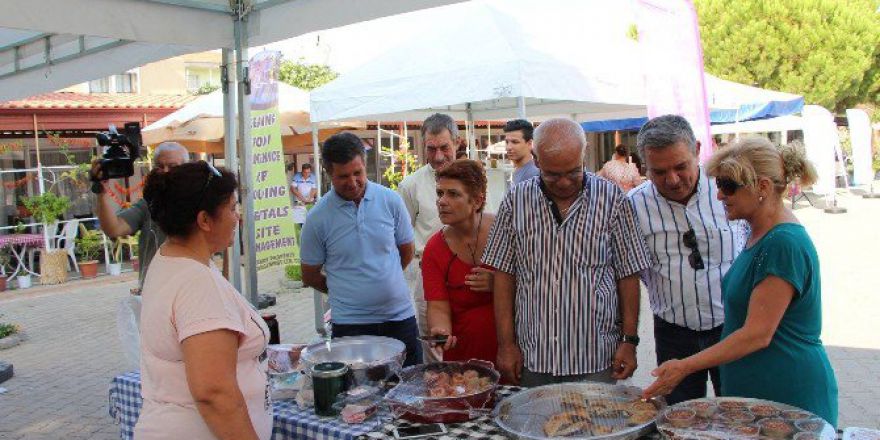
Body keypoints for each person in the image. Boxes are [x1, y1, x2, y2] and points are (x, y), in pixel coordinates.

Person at [644, 137, 838, 426]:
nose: (720, 195)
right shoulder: (759, 233)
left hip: (786, 394)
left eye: (728, 186)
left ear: (762, 187)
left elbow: (757, 334)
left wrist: (684, 366)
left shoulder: (782, 243)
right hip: (758, 393)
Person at [482, 118, 653, 386]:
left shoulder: (612, 200)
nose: (563, 183)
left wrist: (629, 341)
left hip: (597, 357)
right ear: (536, 160)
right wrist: (506, 345)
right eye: (552, 175)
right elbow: (504, 276)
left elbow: (627, 275)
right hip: (535, 356)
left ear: (583, 155)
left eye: (573, 172)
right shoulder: (515, 202)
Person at [135, 162, 271, 440]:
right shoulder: (198, 284)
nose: (238, 217)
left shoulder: (169, 257)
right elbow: (214, 394)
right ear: (204, 220)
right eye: (232, 208)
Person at [628, 115, 747, 405]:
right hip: (673, 334)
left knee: (736, 413)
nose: (672, 180)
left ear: (696, 150)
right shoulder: (633, 206)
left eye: (681, 167)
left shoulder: (731, 191)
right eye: (659, 172)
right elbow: (629, 274)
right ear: (644, 166)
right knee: (679, 417)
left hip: (731, 329)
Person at [300, 132, 422, 366]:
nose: (353, 182)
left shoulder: (390, 201)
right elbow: (309, 275)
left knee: (409, 390)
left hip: (399, 317)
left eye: (358, 173)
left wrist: (383, 277)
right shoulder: (318, 218)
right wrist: (344, 289)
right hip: (350, 325)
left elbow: (406, 251)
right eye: (343, 176)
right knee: (356, 398)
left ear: (365, 165)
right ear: (329, 174)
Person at [397, 113, 461, 362]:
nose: (438, 156)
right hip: (428, 276)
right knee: (435, 349)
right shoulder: (410, 186)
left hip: (468, 274)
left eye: (444, 147)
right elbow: (401, 236)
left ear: (457, 142)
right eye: (431, 149)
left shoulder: (475, 178)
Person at [421, 159, 496, 363]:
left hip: (511, 350)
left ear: (477, 201)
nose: (442, 201)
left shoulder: (504, 232)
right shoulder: (434, 249)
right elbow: (437, 306)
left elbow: (535, 285)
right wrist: (441, 330)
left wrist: (500, 284)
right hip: (463, 355)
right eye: (439, 193)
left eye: (453, 194)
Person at [91, 142, 189, 288]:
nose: (165, 171)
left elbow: (226, 245)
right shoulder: (148, 204)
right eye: (159, 166)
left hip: (190, 290)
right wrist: (102, 191)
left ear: (187, 169)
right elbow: (114, 228)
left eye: (173, 166)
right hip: (154, 291)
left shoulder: (200, 202)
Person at [504, 119, 539, 185]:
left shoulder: (534, 175)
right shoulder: (518, 171)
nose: (508, 147)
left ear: (529, 143)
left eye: (515, 142)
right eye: (507, 142)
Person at [289, 162, 317, 240]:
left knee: (309, 219)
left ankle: (309, 237)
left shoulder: (313, 177)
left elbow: (314, 189)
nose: (307, 174)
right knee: (299, 221)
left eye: (308, 172)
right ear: (302, 171)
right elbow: (293, 189)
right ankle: (300, 238)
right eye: (305, 172)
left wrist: (309, 198)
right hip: (299, 201)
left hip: (309, 202)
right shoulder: (297, 176)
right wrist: (302, 198)